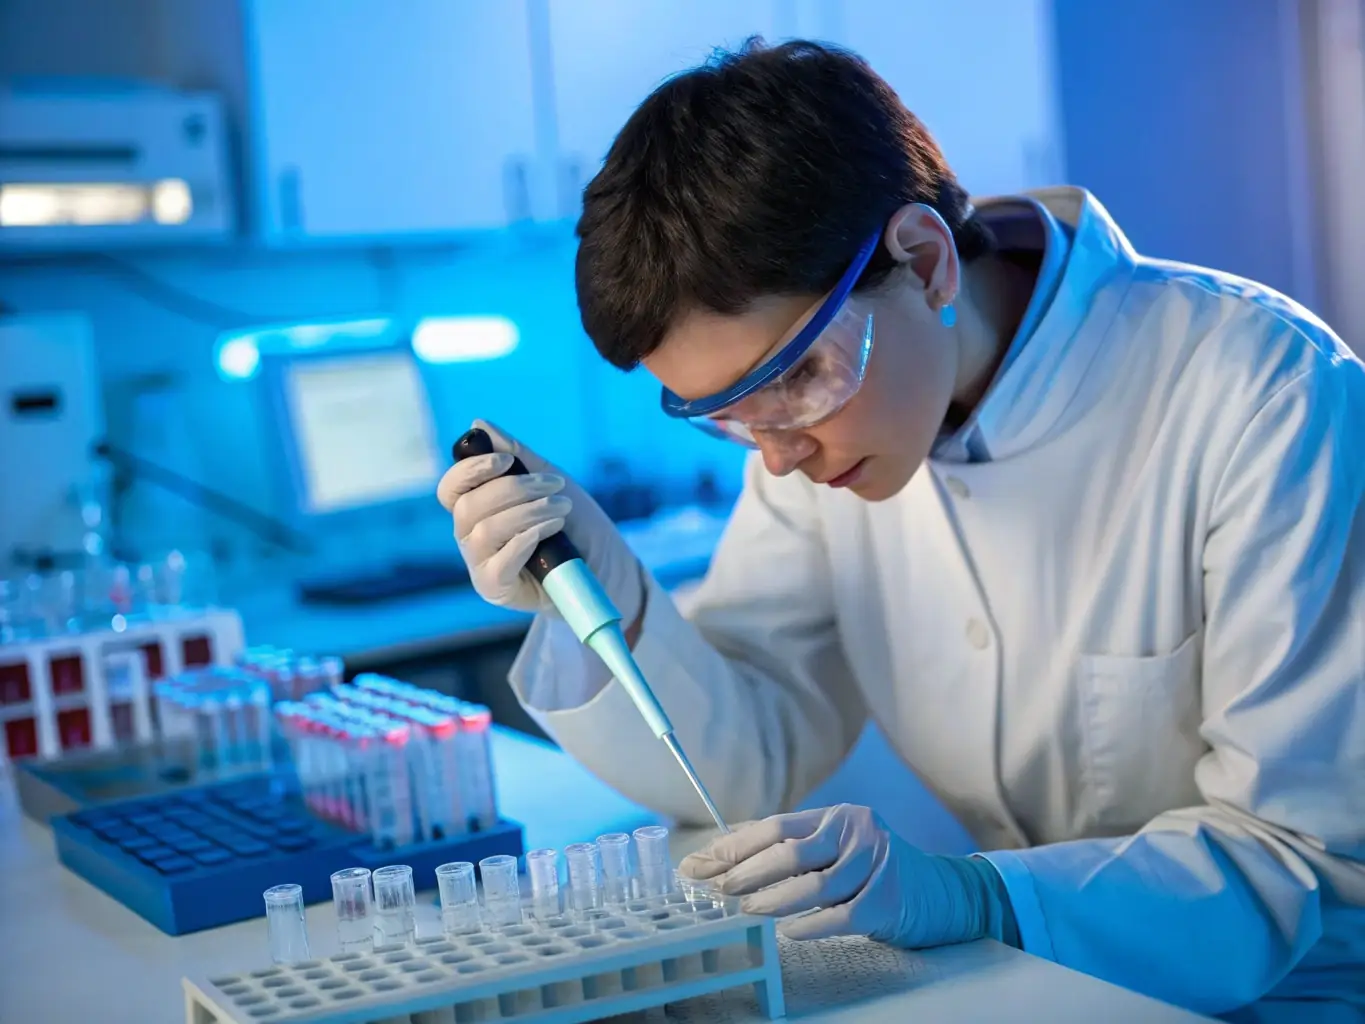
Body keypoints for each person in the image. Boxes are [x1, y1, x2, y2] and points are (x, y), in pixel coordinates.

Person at [437, 40, 1365, 1023]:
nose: (779, 454)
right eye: (729, 414)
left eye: (793, 379)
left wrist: (976, 894)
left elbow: (1308, 857)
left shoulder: (1264, 395)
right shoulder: (823, 440)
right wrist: (610, 592)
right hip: (1028, 990)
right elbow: (754, 750)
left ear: (922, 260)